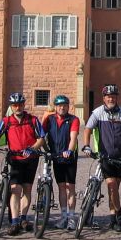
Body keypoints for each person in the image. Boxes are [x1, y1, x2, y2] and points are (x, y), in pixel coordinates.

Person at [0, 92, 46, 236]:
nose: (17, 107)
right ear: (11, 107)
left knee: (27, 189)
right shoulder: (7, 121)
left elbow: (41, 139)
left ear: (24, 105)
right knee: (15, 189)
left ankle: (24, 218)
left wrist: (32, 148)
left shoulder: (32, 120)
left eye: (20, 104)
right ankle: (14, 221)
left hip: (30, 158)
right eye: (14, 105)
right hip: (15, 159)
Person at [81, 84, 121, 232]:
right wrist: (87, 146)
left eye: (113, 96)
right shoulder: (98, 113)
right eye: (108, 96)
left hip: (119, 157)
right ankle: (120, 216)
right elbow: (87, 129)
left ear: (116, 98)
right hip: (104, 156)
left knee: (114, 190)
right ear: (104, 98)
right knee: (112, 186)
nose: (111, 99)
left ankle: (113, 218)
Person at [41, 95, 80, 231]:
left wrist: (69, 150)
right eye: (59, 106)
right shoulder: (49, 120)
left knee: (70, 187)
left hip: (69, 158)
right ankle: (63, 216)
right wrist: (45, 150)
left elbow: (73, 137)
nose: (62, 107)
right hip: (56, 157)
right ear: (56, 107)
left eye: (64, 105)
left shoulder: (73, 119)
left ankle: (71, 217)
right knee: (61, 187)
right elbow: (41, 135)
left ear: (68, 107)